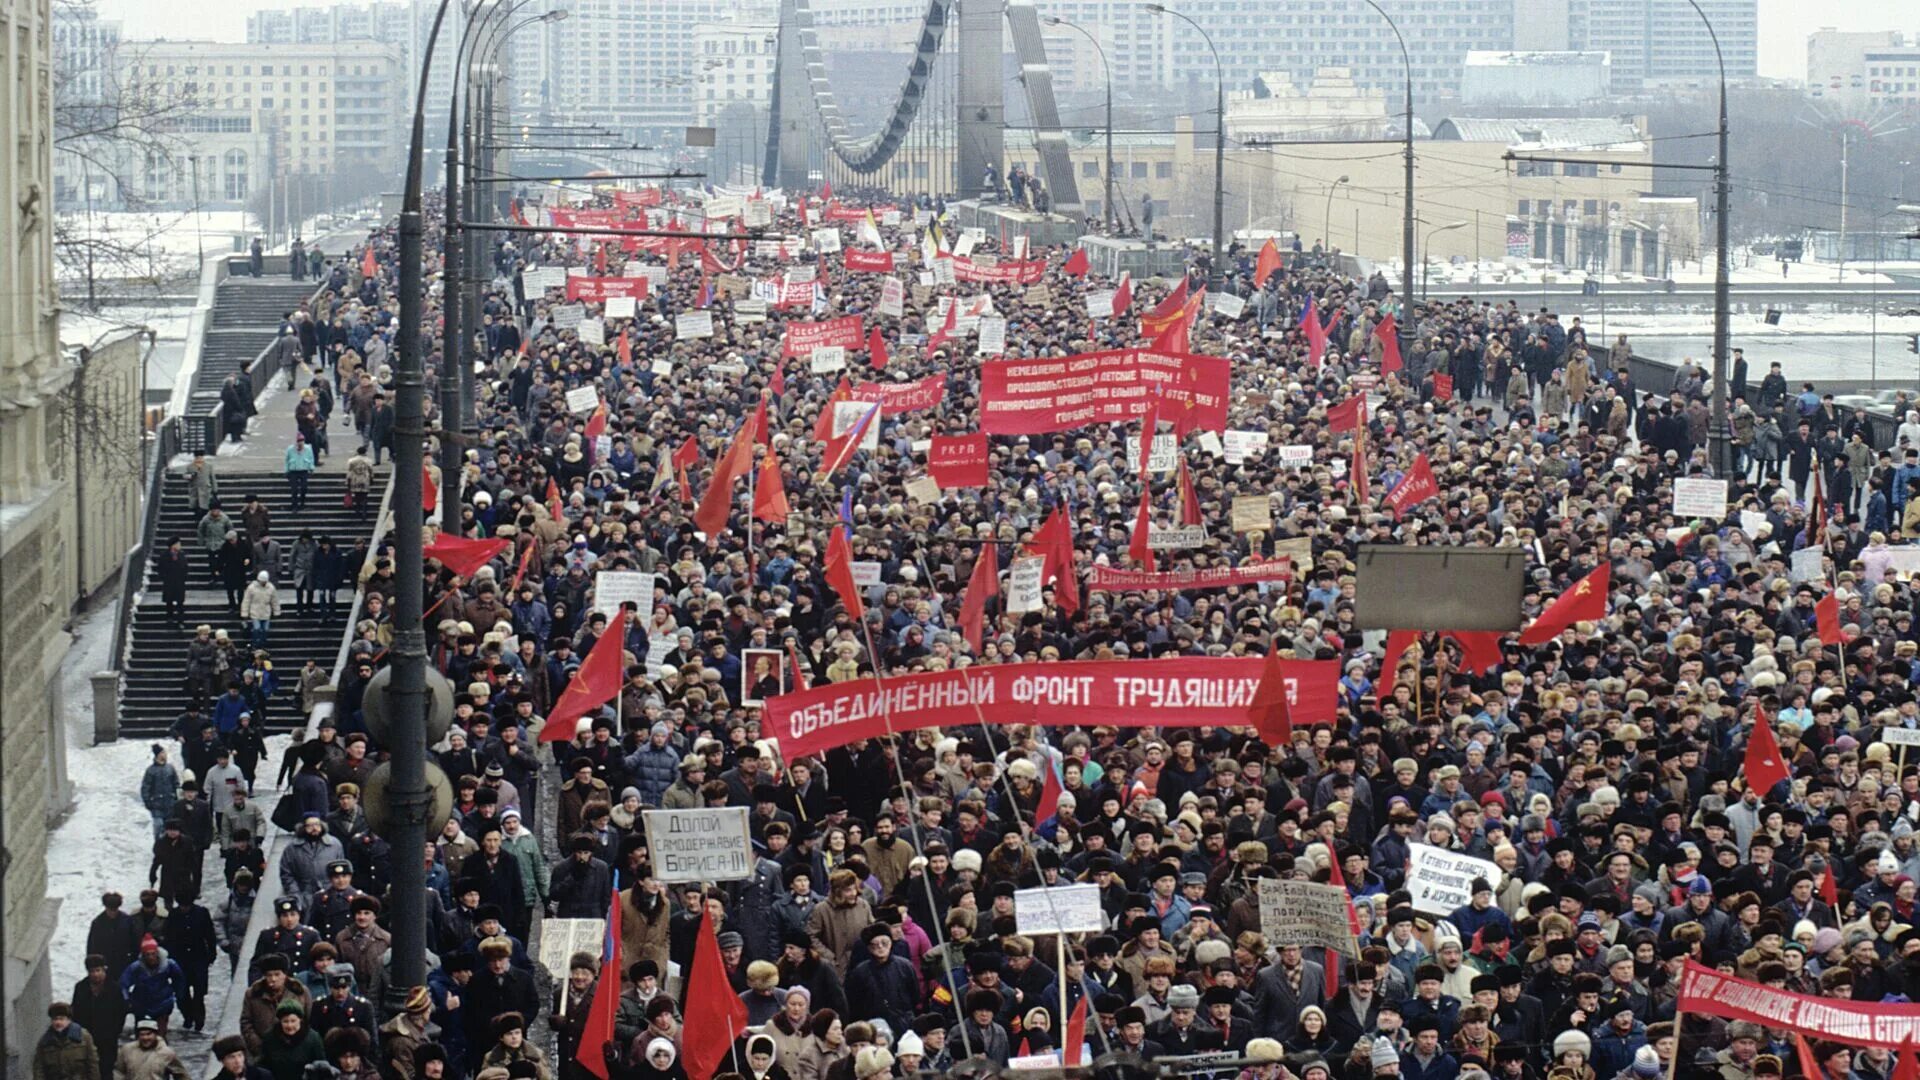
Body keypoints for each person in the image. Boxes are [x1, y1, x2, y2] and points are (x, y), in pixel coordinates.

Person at [112, 1018, 188, 1080]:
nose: (145, 1038)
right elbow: (118, 1072)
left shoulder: (167, 1053)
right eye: (142, 1034)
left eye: (149, 1034)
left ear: (155, 1034)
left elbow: (181, 1075)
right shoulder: (127, 1050)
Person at [285, 436, 316, 512]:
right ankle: (294, 506)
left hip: (304, 470)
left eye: (302, 441)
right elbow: (287, 460)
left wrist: (311, 468)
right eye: (299, 441)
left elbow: (311, 459)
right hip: (293, 471)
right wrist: (286, 471)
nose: (300, 443)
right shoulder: (290, 449)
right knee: (294, 489)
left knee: (304, 488)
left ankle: (302, 503)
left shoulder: (308, 449)